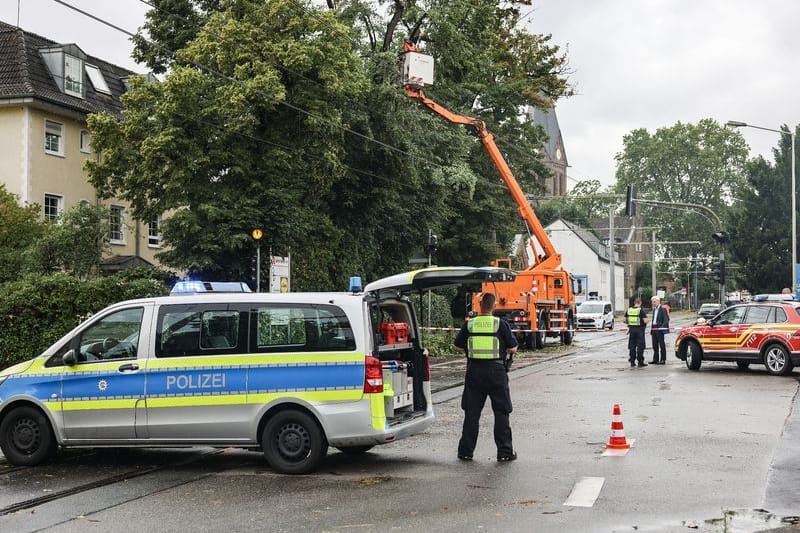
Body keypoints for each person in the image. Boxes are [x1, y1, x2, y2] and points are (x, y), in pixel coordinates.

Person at [454, 293, 519, 462]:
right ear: (494, 306)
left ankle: (466, 452)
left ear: (480, 304)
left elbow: (457, 346)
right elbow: (513, 347)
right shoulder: (501, 324)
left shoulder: (470, 324)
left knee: (472, 413)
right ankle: (505, 453)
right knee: (501, 412)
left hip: (474, 372)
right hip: (497, 372)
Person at [625, 296, 648, 367]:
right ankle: (640, 362)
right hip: (640, 331)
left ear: (634, 302)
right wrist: (647, 321)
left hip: (631, 330)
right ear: (640, 303)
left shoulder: (629, 310)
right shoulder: (640, 310)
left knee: (632, 346)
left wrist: (630, 323)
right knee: (640, 347)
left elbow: (625, 320)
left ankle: (632, 361)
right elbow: (645, 321)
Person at [649, 296, 669, 364]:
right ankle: (655, 359)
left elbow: (666, 320)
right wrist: (652, 329)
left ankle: (663, 359)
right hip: (654, 328)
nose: (653, 303)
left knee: (661, 345)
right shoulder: (654, 309)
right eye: (652, 302)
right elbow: (654, 319)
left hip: (659, 328)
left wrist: (662, 327)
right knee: (654, 345)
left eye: (654, 302)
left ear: (658, 301)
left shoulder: (663, 309)